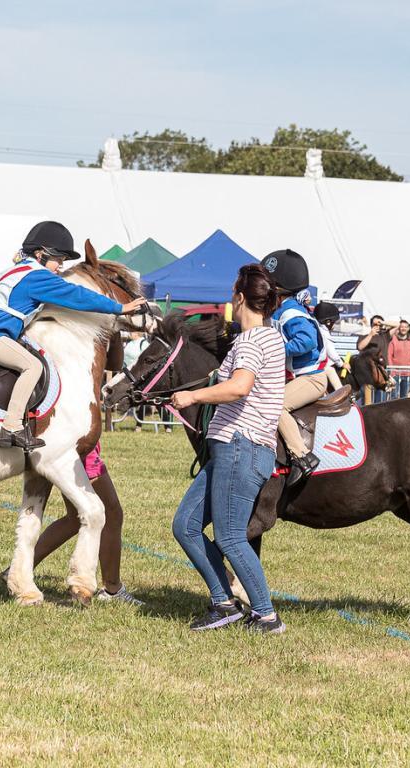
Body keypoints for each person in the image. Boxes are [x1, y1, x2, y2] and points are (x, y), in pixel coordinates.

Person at [170, 263, 286, 634]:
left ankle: (266, 615)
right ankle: (224, 604)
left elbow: (240, 387)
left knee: (231, 536)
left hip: (242, 446)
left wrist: (193, 396)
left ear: (239, 298)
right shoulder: (258, 338)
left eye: (231, 295)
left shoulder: (254, 341)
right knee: (186, 526)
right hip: (230, 448)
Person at [0, 221, 145, 451]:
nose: (61, 266)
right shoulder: (37, 277)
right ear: (40, 254)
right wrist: (119, 309)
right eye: (58, 259)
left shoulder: (21, 270)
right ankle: (11, 427)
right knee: (33, 367)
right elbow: (77, 295)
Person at [29, 443, 143, 605]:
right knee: (112, 514)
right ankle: (113, 589)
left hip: (68, 448)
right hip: (80, 450)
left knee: (74, 518)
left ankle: (20, 569)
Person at [262, 249, 325, 485]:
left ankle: (302, 457)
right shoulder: (282, 310)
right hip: (300, 377)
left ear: (278, 288)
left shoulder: (290, 312)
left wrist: (276, 348)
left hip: (311, 379)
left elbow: (307, 341)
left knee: (276, 406)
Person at [356, 314, 391, 403]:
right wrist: (370, 334)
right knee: (366, 399)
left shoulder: (385, 335)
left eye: (379, 324)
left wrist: (382, 322)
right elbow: (360, 347)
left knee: (379, 400)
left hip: (381, 373)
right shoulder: (365, 334)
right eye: (375, 324)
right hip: (366, 372)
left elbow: (398, 325)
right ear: (371, 325)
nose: (377, 326)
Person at [312, 301, 343, 393]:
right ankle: (342, 394)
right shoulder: (323, 332)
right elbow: (331, 351)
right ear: (328, 322)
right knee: (330, 370)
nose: (334, 324)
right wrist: (341, 363)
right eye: (333, 322)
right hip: (318, 365)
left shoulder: (316, 327)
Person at [388, 318, 410, 400]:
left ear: (408, 328)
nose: (403, 328)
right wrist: (392, 371)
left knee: (404, 398)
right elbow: (389, 356)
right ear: (399, 328)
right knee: (393, 397)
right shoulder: (393, 340)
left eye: (405, 327)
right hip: (395, 374)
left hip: (408, 373)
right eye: (402, 327)